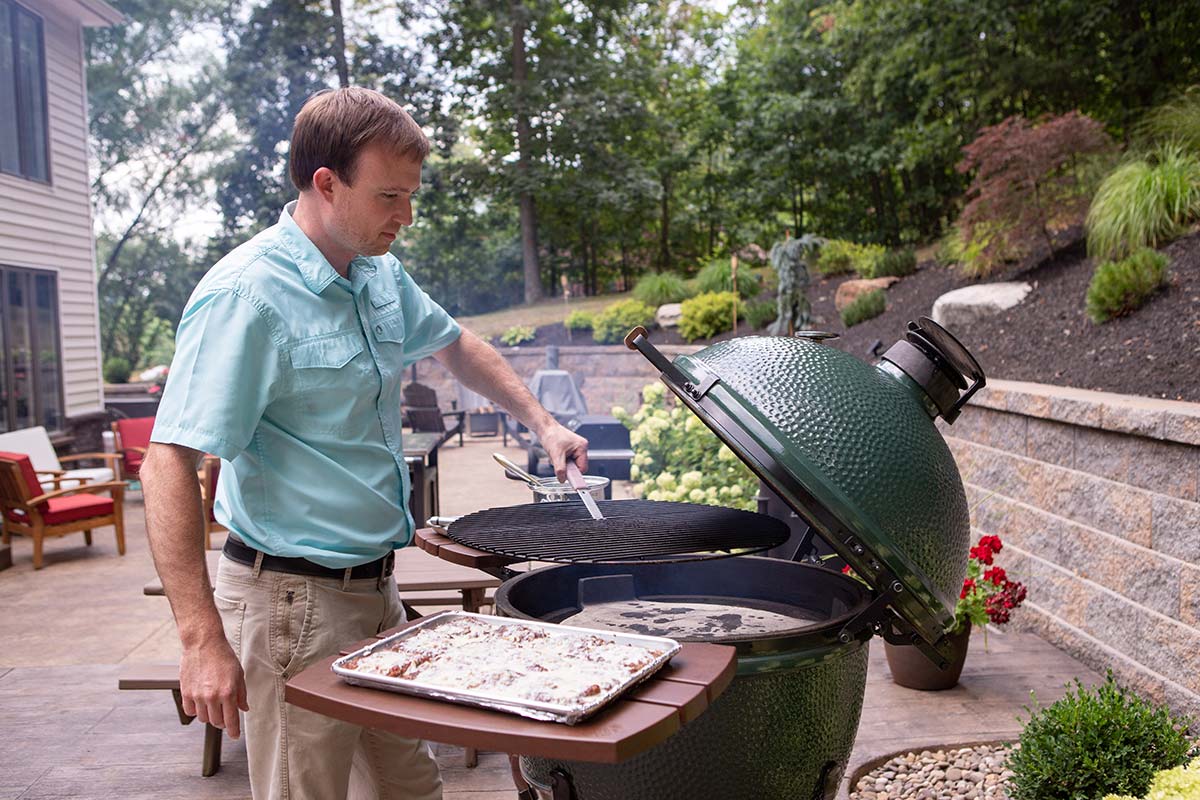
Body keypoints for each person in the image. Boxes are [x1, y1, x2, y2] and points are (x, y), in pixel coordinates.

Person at [140, 87, 589, 800]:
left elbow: (456, 344)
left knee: (411, 788)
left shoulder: (377, 273)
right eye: (388, 197)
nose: (404, 217)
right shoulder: (247, 297)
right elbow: (168, 461)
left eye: (409, 196)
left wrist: (544, 422)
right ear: (326, 183)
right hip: (288, 603)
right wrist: (200, 641)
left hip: (378, 594)